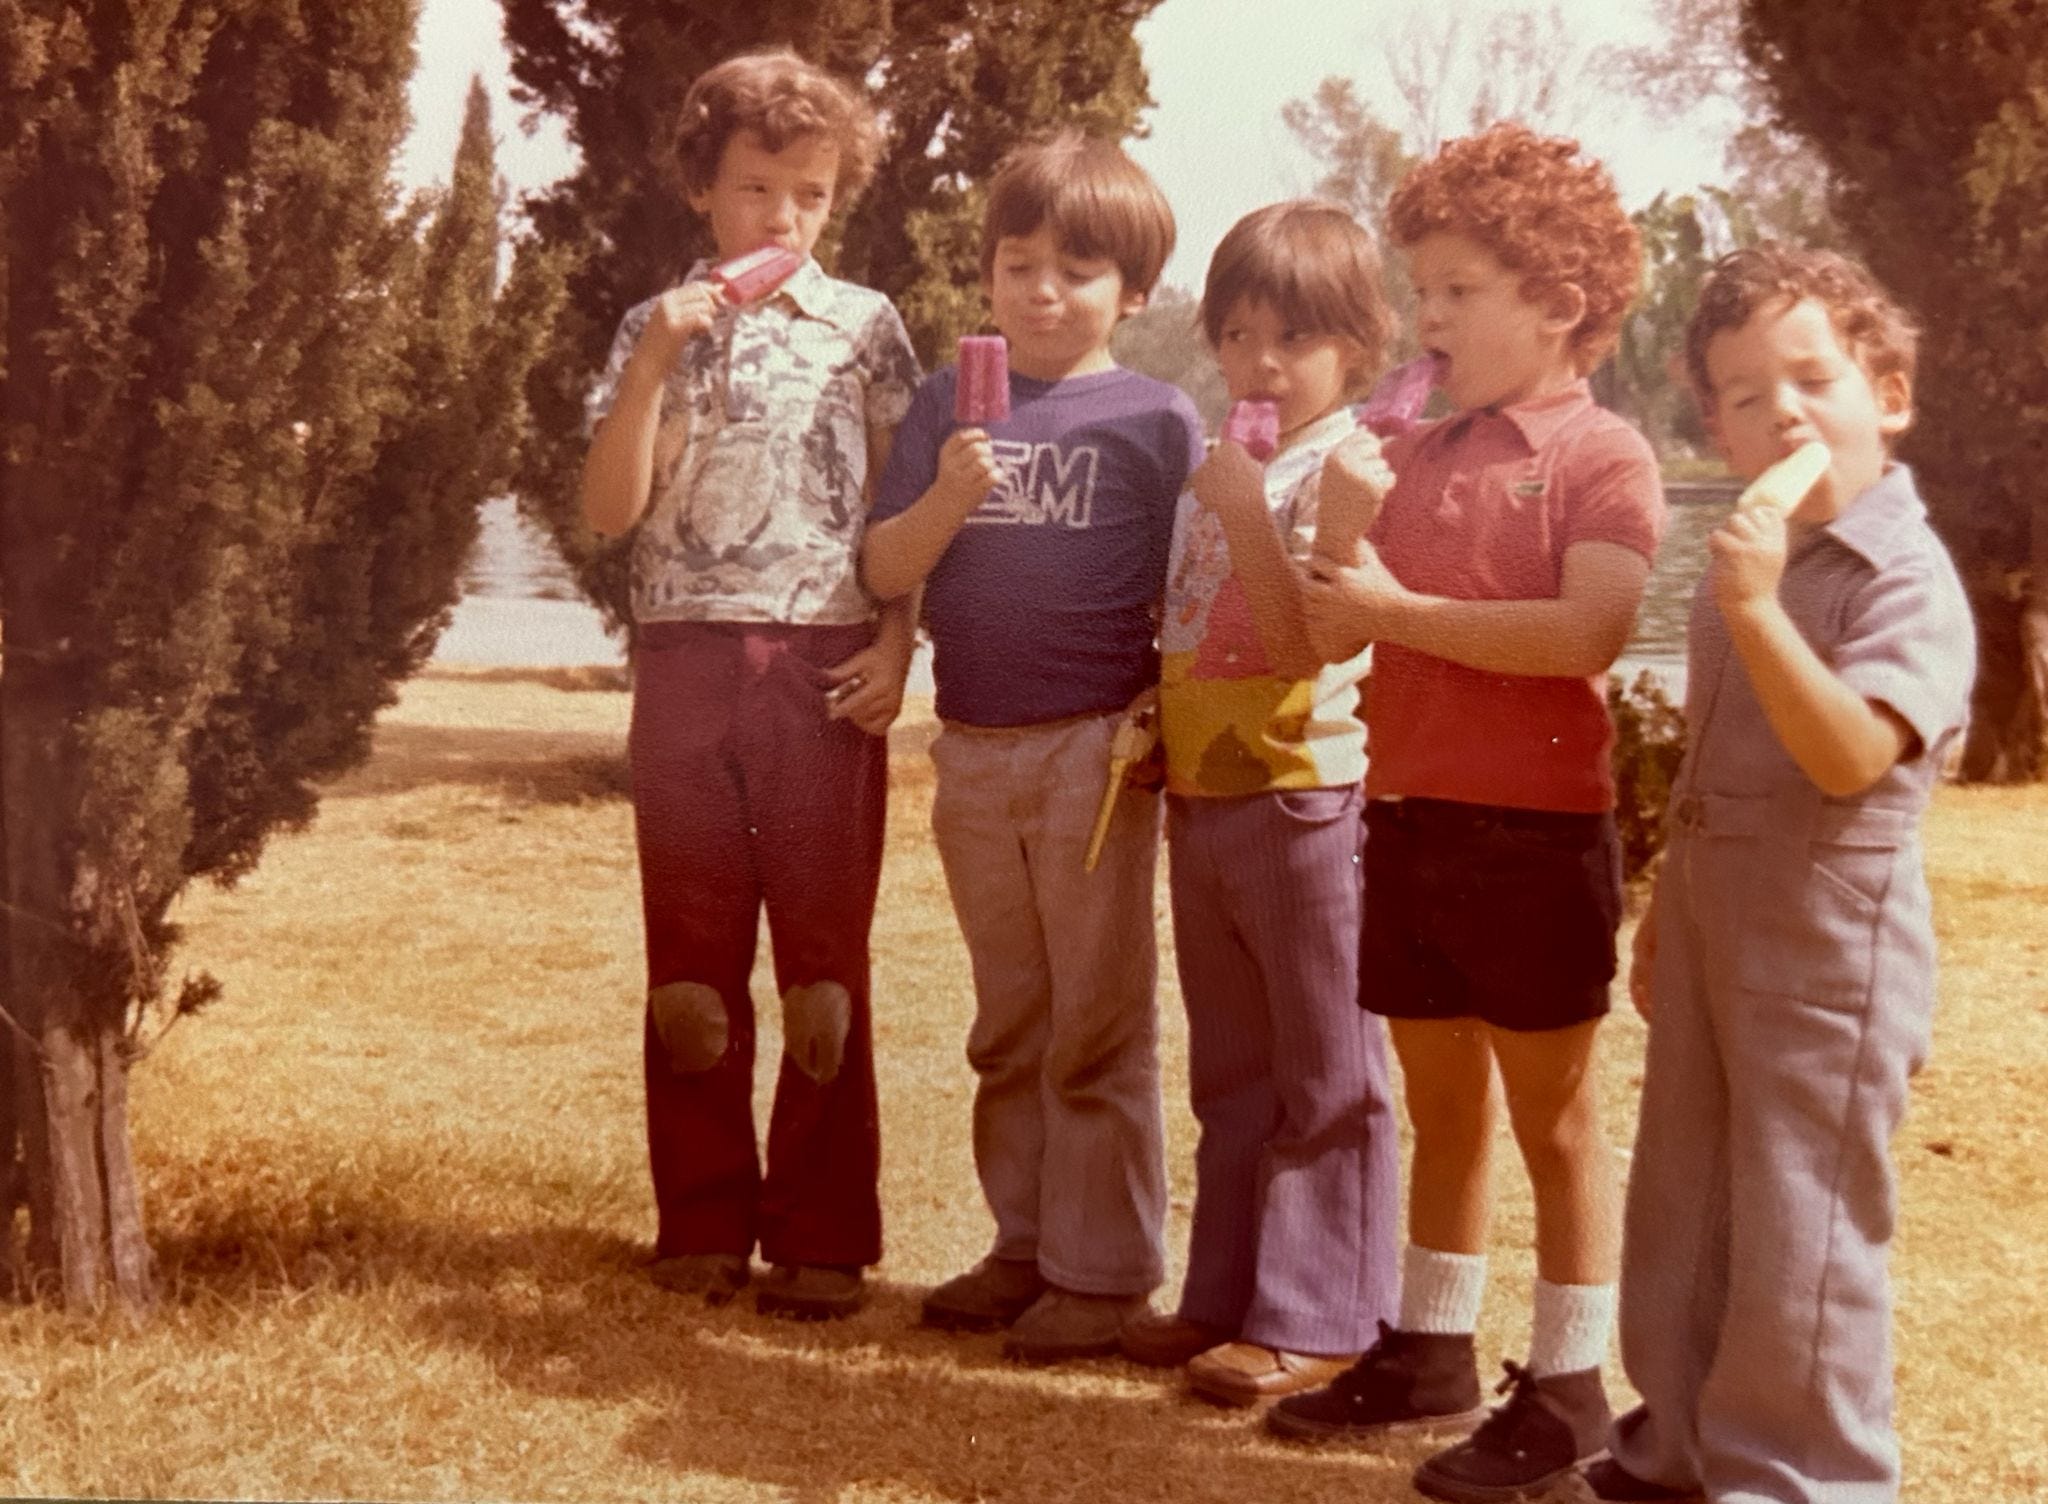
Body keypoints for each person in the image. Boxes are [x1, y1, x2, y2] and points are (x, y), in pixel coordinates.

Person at [1272, 123, 1664, 1504]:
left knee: (1553, 1122)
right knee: (1440, 1109)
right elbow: (1327, 632)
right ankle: (1430, 1347)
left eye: (1457, 290)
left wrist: (1396, 608)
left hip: (1535, 837)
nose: (1424, 318)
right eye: (1421, 288)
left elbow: (1587, 632)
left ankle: (1568, 1385)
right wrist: (1339, 525)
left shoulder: (1603, 455)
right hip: (1410, 818)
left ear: (1557, 301)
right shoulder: (1413, 451)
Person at [1582, 244, 1975, 1504]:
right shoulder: (1748, 566)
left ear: (1887, 395)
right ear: (1717, 429)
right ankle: (1677, 1445)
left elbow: (1851, 754)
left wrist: (1754, 611)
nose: (1782, 414)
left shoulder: (1901, 577)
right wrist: (1665, 908)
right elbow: (1708, 750)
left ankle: (1804, 1475)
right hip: (1715, 918)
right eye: (1745, 396)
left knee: (1800, 1229)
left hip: (1826, 949)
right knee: (1686, 1197)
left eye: (1812, 380)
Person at [579, 48, 922, 1322]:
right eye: (754, 189)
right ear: (700, 188)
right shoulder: (650, 326)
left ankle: (821, 1233)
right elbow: (608, 512)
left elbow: (896, 509)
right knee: (692, 959)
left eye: (810, 195)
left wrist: (898, 643)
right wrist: (652, 365)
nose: (782, 217)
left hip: (821, 664)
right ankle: (702, 1219)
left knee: (824, 963)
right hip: (684, 658)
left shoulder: (865, 327)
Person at [861, 130, 1204, 1364]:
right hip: (973, 746)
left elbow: (1193, 585)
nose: (1041, 291)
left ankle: (1102, 1273)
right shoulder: (944, 406)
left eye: (1076, 270)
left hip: (1091, 748)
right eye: (1017, 266)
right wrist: (949, 493)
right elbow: (883, 566)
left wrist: (1163, 715)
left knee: (1095, 1017)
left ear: (1134, 292)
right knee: (1008, 1017)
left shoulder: (1155, 419)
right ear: (987, 274)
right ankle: (1023, 1243)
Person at [1114, 200, 1402, 1407]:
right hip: (1205, 796)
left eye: (1290, 337)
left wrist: (1243, 508)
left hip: (1302, 799)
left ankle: (1324, 1315)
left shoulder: (1350, 468)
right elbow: (1195, 623)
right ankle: (1224, 1296)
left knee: (1325, 1070)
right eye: (1235, 336)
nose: (1259, 363)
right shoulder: (1221, 466)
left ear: (1355, 345)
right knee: (1230, 1069)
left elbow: (1302, 644)